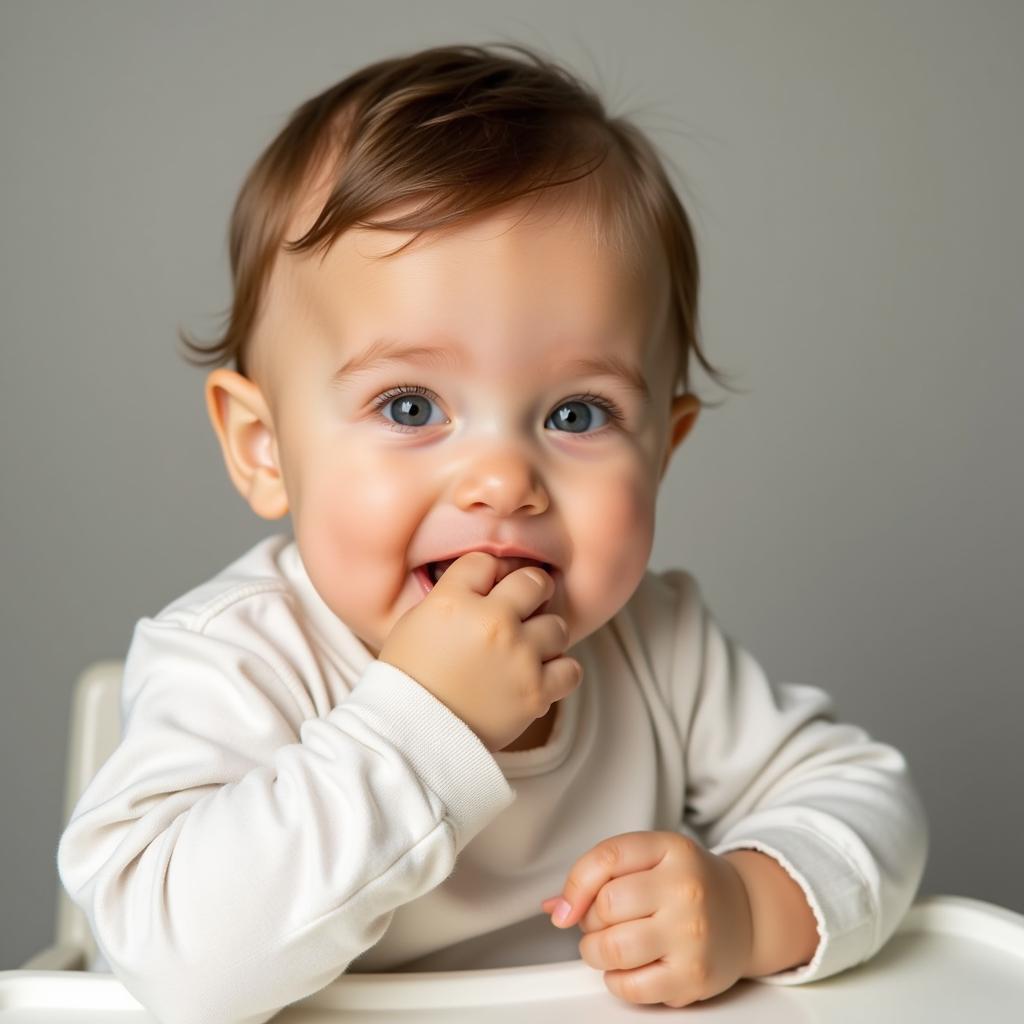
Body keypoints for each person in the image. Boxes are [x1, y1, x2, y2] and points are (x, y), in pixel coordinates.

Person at [56, 41, 928, 1022]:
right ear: (264, 447)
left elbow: (865, 798)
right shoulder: (237, 663)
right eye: (411, 404)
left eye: (575, 415)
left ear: (662, 447)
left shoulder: (657, 644)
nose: (504, 480)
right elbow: (177, 962)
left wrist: (749, 901)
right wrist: (423, 723)